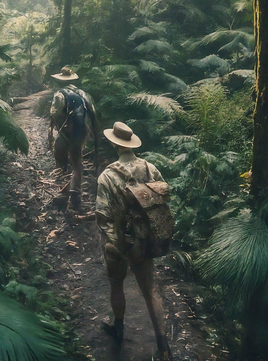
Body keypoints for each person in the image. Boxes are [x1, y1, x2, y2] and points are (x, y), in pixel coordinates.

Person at [96, 121, 172, 360]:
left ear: (113, 142)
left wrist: (116, 245)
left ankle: (118, 328)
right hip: (145, 240)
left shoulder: (107, 176)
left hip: (119, 242)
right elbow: (163, 201)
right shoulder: (151, 168)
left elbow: (103, 216)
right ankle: (164, 346)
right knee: (150, 290)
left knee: (117, 285)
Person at [48, 66, 97, 211]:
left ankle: (62, 194)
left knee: (61, 161)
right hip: (81, 132)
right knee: (77, 162)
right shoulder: (82, 93)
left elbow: (55, 114)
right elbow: (91, 112)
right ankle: (75, 191)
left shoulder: (59, 94)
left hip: (65, 133)